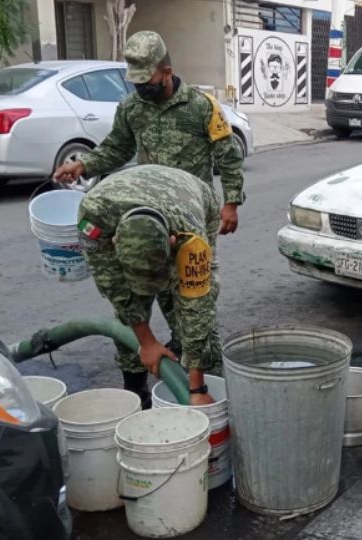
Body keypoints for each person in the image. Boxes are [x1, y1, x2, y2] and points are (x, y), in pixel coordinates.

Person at [53, 30, 244, 360]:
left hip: (190, 215)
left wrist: (230, 203)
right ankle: (137, 376)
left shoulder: (202, 107)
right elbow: (117, 148)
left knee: (191, 292)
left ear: (166, 72)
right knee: (134, 289)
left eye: (147, 81)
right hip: (144, 217)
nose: (141, 88)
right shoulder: (131, 108)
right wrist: (84, 164)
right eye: (136, 82)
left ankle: (195, 361)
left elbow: (228, 155)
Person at [78, 164, 223, 407]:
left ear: (172, 242)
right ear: (114, 243)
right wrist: (146, 343)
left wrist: (198, 387)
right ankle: (136, 392)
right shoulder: (93, 218)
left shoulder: (190, 236)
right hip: (117, 198)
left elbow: (197, 305)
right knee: (128, 315)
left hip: (191, 196)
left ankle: (192, 366)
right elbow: (115, 287)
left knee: (189, 309)